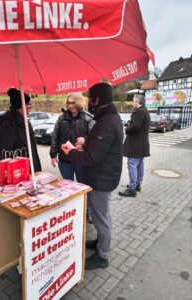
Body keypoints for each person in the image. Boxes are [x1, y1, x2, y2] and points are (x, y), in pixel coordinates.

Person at [61, 83, 123, 270]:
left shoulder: (106, 121)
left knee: (101, 218)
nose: (88, 101)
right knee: (101, 216)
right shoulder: (109, 118)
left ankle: (102, 256)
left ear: (97, 99)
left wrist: (72, 151)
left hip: (101, 179)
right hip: (102, 177)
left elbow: (91, 158)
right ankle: (99, 242)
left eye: (90, 98)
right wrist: (86, 142)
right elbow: (100, 145)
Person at [49, 92, 94, 221]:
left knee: (84, 187)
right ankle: (71, 211)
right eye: (68, 103)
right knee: (67, 188)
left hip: (81, 160)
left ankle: (88, 211)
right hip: (65, 160)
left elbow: (95, 137)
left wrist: (85, 140)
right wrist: (53, 154)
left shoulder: (88, 118)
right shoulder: (62, 118)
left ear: (79, 102)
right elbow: (55, 137)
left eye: (73, 102)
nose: (70, 105)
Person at [0, 88, 42, 172]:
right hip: (18, 174)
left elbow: (31, 150)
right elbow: (1, 154)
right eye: (28, 105)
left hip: (30, 170)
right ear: (21, 106)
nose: (30, 107)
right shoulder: (9, 125)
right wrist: (7, 174)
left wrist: (36, 169)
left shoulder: (25, 122)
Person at [119, 94, 150, 197]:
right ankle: (137, 184)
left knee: (132, 165)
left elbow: (136, 127)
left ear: (137, 102)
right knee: (140, 164)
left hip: (135, 145)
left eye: (133, 101)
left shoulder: (140, 111)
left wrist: (126, 129)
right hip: (141, 145)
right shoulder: (145, 111)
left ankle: (132, 189)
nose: (132, 103)